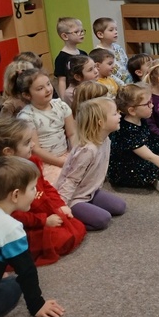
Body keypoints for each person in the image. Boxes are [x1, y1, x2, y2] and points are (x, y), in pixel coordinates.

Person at [0, 118, 86, 266]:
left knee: (77, 226)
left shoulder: (32, 161)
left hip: (44, 210)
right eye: (27, 142)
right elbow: (14, 215)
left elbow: (45, 186)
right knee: (61, 239)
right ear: (8, 152)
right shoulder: (4, 179)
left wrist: (60, 205)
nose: (33, 145)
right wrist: (43, 221)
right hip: (28, 224)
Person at [0, 157, 65, 317]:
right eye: (32, 188)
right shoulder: (11, 228)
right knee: (13, 285)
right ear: (16, 195)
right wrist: (37, 304)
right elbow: (26, 271)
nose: (35, 192)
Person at [56, 97, 126, 230]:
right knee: (103, 219)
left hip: (90, 191)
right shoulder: (87, 150)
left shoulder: (106, 140)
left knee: (120, 207)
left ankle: (87, 208)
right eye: (115, 114)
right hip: (74, 198)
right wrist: (61, 205)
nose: (119, 115)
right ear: (101, 123)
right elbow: (71, 180)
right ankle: (73, 217)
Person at [108, 83, 159, 194]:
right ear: (132, 111)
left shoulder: (141, 118)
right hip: (126, 166)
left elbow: (151, 139)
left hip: (143, 151)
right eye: (148, 104)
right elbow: (150, 157)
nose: (152, 106)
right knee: (149, 167)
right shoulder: (127, 131)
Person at [16, 68, 77, 185]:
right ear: (27, 95)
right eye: (40, 88)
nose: (48, 89)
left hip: (66, 155)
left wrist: (74, 154)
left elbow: (72, 133)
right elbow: (35, 149)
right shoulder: (27, 117)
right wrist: (61, 163)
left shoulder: (61, 105)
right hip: (45, 162)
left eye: (48, 84)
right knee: (63, 184)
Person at [54, 17, 88, 99]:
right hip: (73, 95)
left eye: (82, 31)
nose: (81, 34)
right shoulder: (61, 58)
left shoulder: (83, 53)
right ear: (65, 36)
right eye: (76, 32)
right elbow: (62, 81)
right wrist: (63, 100)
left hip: (86, 90)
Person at [92, 17, 132, 86]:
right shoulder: (98, 53)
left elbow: (126, 63)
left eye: (116, 29)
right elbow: (106, 73)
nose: (115, 32)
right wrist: (122, 84)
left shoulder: (118, 47)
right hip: (114, 85)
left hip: (128, 81)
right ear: (100, 34)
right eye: (111, 30)